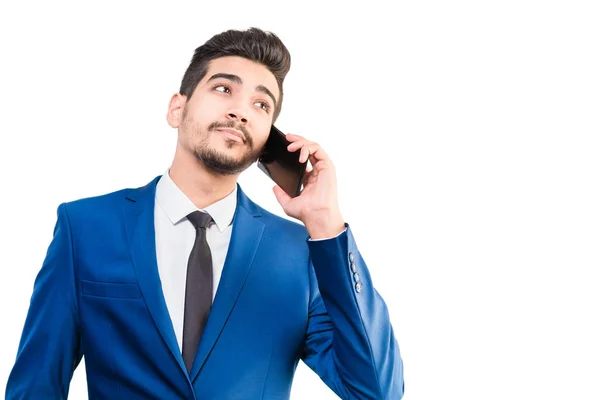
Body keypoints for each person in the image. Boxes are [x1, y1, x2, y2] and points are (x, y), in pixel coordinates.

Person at [5, 27, 404, 399]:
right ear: (177, 109)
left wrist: (325, 224)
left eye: (261, 104)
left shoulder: (300, 252)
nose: (240, 111)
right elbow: (36, 385)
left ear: (269, 140)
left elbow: (374, 389)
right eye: (223, 88)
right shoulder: (86, 227)